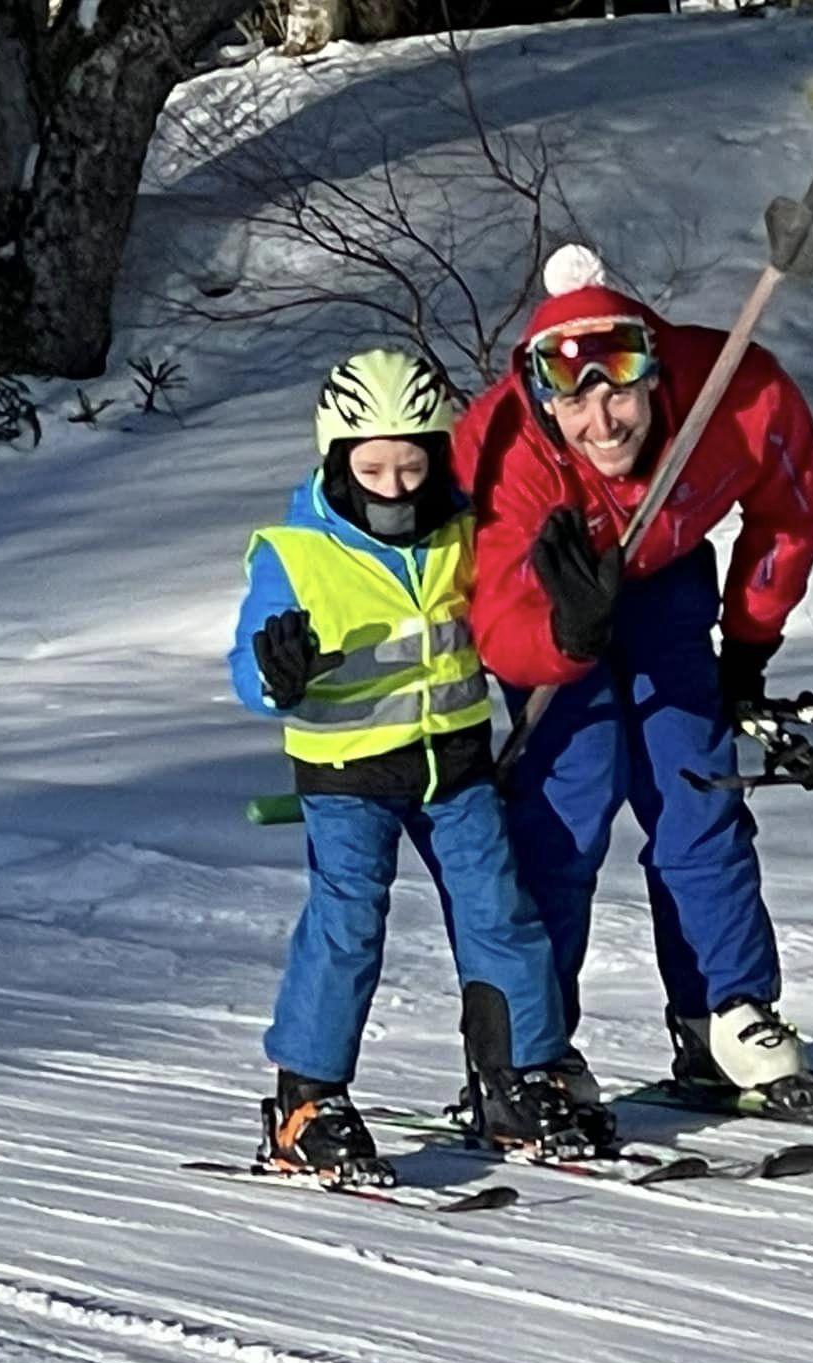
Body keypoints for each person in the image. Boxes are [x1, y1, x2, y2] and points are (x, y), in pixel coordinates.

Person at [452, 247, 813, 1115]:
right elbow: (497, 617)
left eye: (619, 389)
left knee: (697, 791)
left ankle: (724, 1016)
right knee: (568, 806)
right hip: (556, 608)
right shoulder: (501, 449)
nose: (603, 421)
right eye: (574, 399)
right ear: (543, 397)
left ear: (652, 371)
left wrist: (749, 640)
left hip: (664, 580)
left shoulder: (733, 391)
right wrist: (564, 635)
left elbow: (789, 509)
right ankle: (530, 1047)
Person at [229, 348, 589, 1183]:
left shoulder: (461, 532)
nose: (393, 487)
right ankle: (307, 1101)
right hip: (348, 776)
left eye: (412, 467)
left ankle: (514, 1080)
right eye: (372, 469)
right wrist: (276, 674)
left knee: (500, 911)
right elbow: (248, 666)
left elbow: (508, 615)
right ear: (338, 461)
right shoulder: (296, 551)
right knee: (348, 923)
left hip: (454, 768)